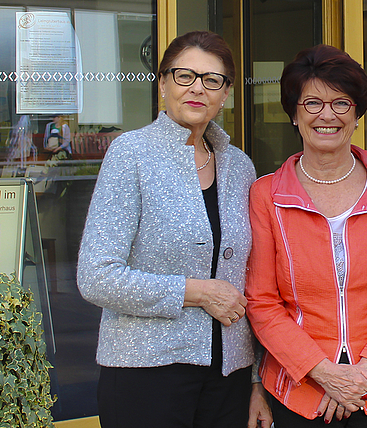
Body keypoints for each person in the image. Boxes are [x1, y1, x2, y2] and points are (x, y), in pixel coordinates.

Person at [77, 31, 271, 428]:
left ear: (226, 92)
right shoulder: (130, 154)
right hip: (145, 372)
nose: (197, 88)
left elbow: (250, 280)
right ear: (163, 82)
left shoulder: (240, 166)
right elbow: (95, 277)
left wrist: (256, 382)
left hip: (227, 377)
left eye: (212, 80)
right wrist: (195, 292)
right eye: (184, 75)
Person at [245, 44, 367, 428]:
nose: (326, 115)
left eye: (341, 103)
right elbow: (262, 301)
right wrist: (324, 373)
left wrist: (365, 373)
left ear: (357, 114)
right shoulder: (267, 195)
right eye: (312, 103)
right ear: (294, 114)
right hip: (300, 388)